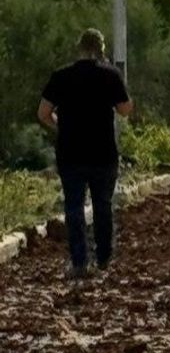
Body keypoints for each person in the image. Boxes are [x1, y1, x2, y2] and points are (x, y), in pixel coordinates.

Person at [37, 29, 133, 280]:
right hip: (103, 153)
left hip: (71, 152)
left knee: (74, 207)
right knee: (103, 206)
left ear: (78, 47)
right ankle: (103, 257)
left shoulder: (61, 76)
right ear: (100, 49)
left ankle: (79, 262)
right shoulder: (110, 75)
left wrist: (62, 125)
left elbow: (43, 113)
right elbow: (125, 110)